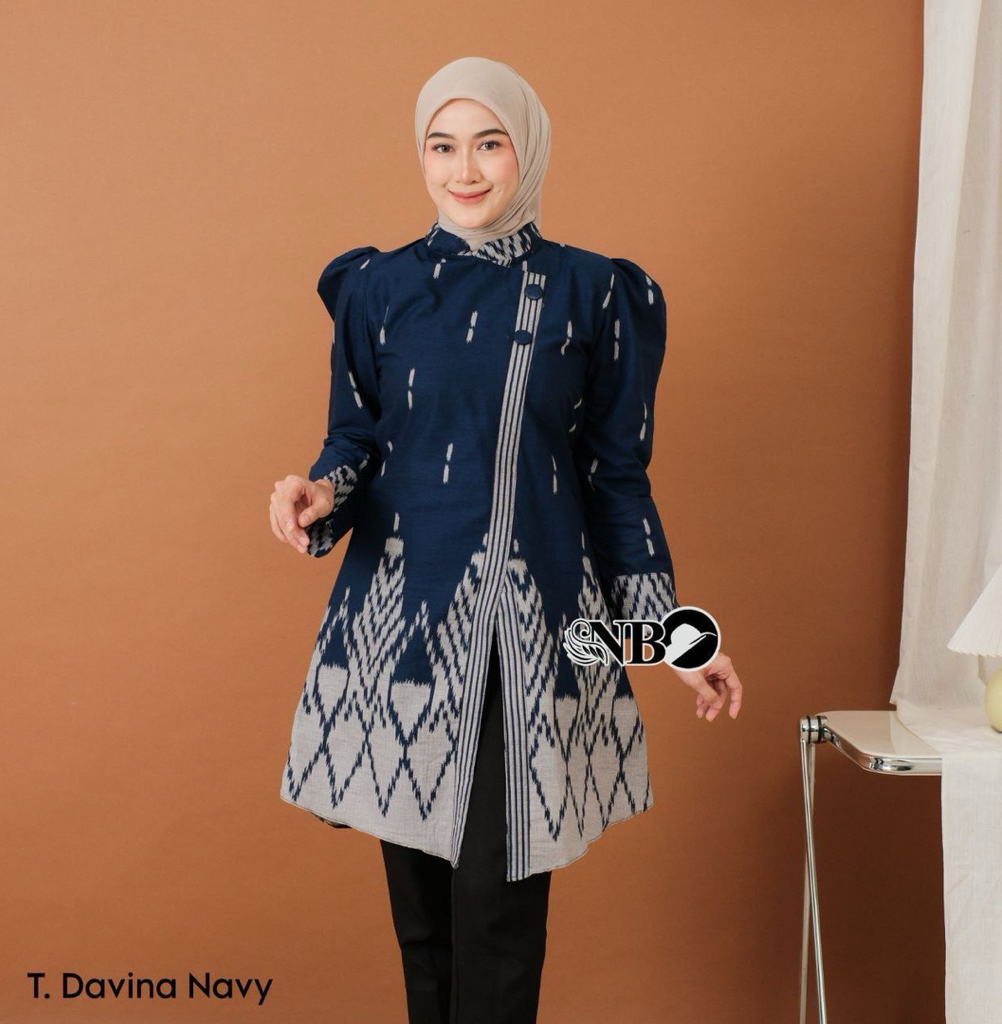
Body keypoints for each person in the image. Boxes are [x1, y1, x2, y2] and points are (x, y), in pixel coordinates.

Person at [269, 56, 743, 1024]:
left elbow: (616, 480)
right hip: (399, 635)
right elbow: (356, 440)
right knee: (425, 928)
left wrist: (679, 641)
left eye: (489, 144)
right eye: (442, 146)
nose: (465, 170)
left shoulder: (593, 292)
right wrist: (319, 492)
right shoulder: (376, 289)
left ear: (526, 149)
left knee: (496, 915)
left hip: (536, 642)